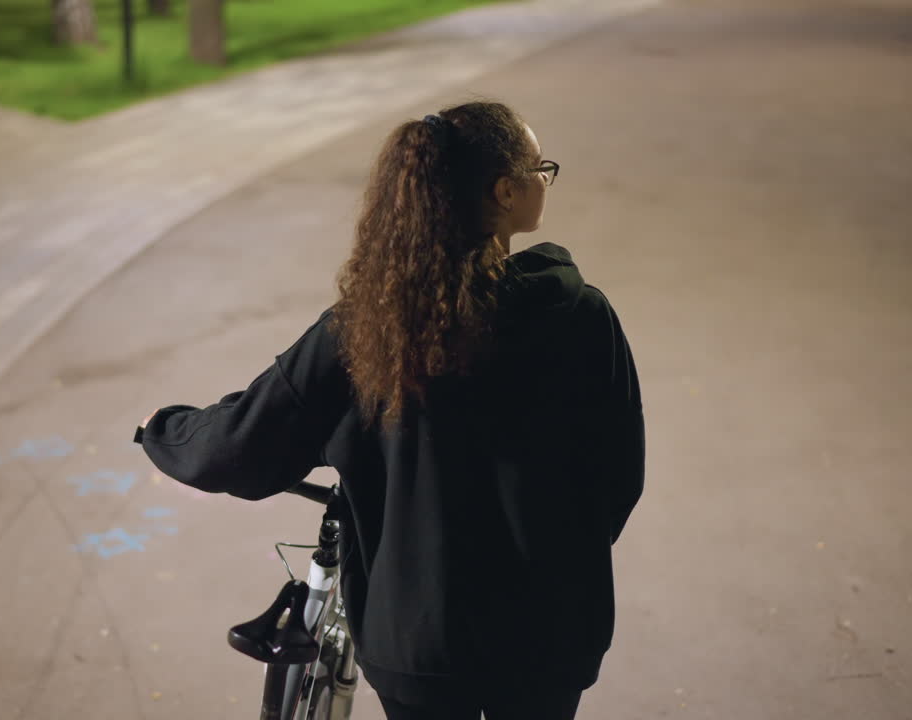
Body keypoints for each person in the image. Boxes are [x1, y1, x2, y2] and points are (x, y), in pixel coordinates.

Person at [134, 100, 644, 720]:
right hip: (550, 635)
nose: (546, 180)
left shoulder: (365, 334)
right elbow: (618, 476)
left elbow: (240, 449)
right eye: (542, 169)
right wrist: (558, 556)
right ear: (506, 191)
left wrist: (165, 429)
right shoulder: (581, 317)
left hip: (418, 645)